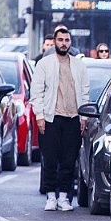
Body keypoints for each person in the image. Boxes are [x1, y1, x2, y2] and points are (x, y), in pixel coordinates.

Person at [32, 27, 89, 211]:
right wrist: (39, 116)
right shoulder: (45, 64)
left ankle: (64, 197)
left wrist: (84, 117)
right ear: (54, 42)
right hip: (50, 118)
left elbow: (84, 92)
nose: (64, 43)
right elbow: (37, 92)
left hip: (73, 118)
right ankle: (50, 197)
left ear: (70, 43)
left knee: (68, 159)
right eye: (60, 40)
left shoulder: (78, 65)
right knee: (49, 159)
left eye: (67, 40)